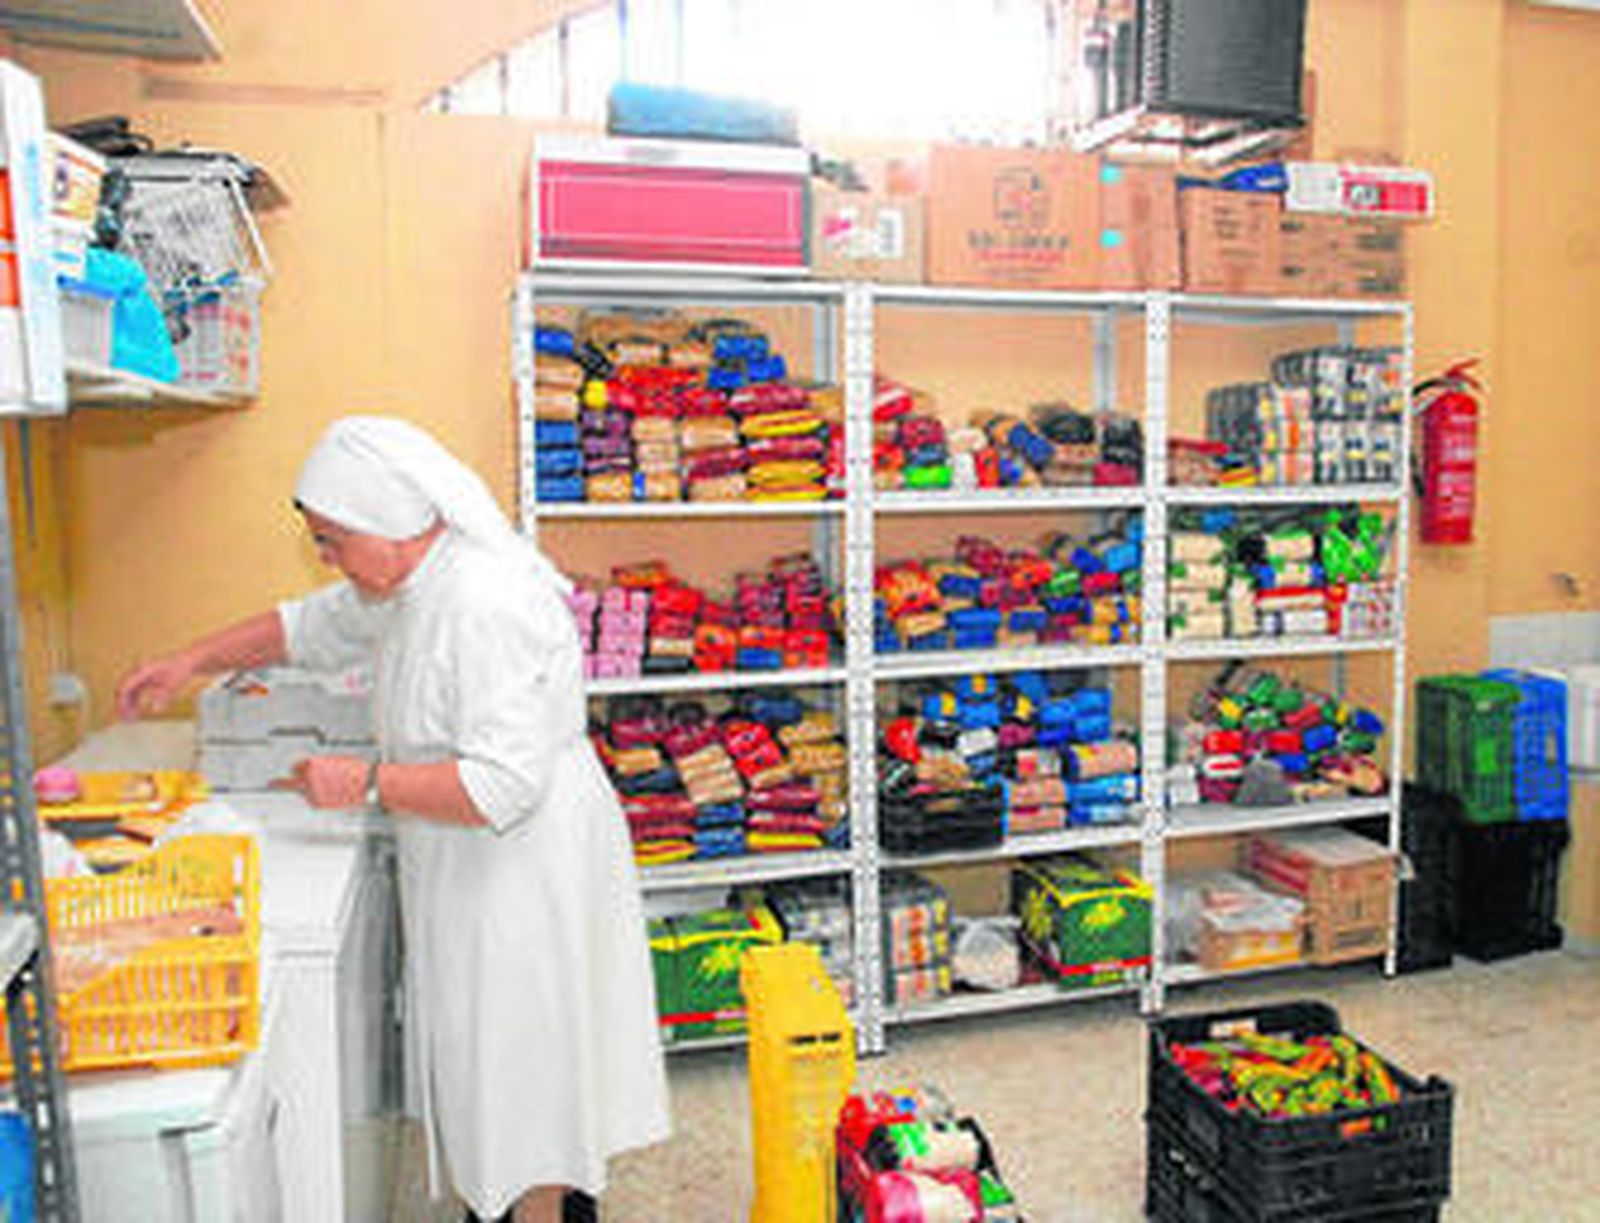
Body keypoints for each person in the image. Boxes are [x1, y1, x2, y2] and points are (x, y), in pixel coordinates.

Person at [115, 416, 671, 1223]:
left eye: (333, 541)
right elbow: (305, 626)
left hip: (523, 866)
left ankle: (540, 1208)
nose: (326, 558)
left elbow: (499, 786)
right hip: (474, 863)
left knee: (524, 1072)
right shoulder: (410, 583)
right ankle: (521, 1200)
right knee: (500, 1069)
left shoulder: (482, 600)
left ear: (386, 522)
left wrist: (364, 780)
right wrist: (190, 659)